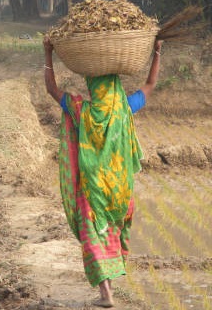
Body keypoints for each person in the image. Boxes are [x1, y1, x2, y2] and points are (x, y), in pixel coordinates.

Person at [43, 36, 162, 308]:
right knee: (111, 233)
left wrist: (47, 53)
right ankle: (107, 291)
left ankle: (106, 293)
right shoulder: (125, 108)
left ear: (92, 86)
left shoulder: (80, 110)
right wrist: (156, 53)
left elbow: (52, 89)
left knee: (93, 236)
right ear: (116, 88)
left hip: (91, 191)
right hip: (120, 192)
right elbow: (150, 84)